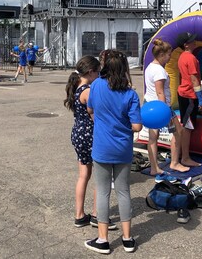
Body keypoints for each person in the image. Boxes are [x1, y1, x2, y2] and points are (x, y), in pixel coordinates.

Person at [85, 50, 142, 254]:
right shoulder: (130, 94)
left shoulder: (97, 86)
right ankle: (127, 238)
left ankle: (103, 239)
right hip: (123, 148)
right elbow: (136, 126)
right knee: (123, 191)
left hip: (101, 146)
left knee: (102, 192)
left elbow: (90, 109)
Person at [64, 56, 114, 229]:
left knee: (83, 176)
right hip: (90, 135)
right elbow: (97, 115)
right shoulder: (88, 91)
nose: (99, 75)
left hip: (78, 133)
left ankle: (79, 215)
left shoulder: (76, 86)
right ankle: (96, 214)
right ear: (91, 72)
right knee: (100, 178)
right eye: (98, 72)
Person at [143, 39, 187, 174]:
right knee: (178, 132)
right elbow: (160, 92)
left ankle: (154, 167)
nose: (170, 57)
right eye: (169, 55)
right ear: (161, 54)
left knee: (152, 137)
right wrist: (165, 113)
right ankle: (174, 162)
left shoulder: (150, 67)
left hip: (150, 105)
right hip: (161, 108)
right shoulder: (160, 71)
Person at [175, 32, 202, 167]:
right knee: (187, 127)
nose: (195, 41)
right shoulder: (190, 58)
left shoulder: (182, 56)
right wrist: (201, 98)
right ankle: (185, 157)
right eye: (192, 40)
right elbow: (193, 78)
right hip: (189, 95)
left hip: (184, 94)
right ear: (186, 45)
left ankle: (183, 155)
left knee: (187, 125)